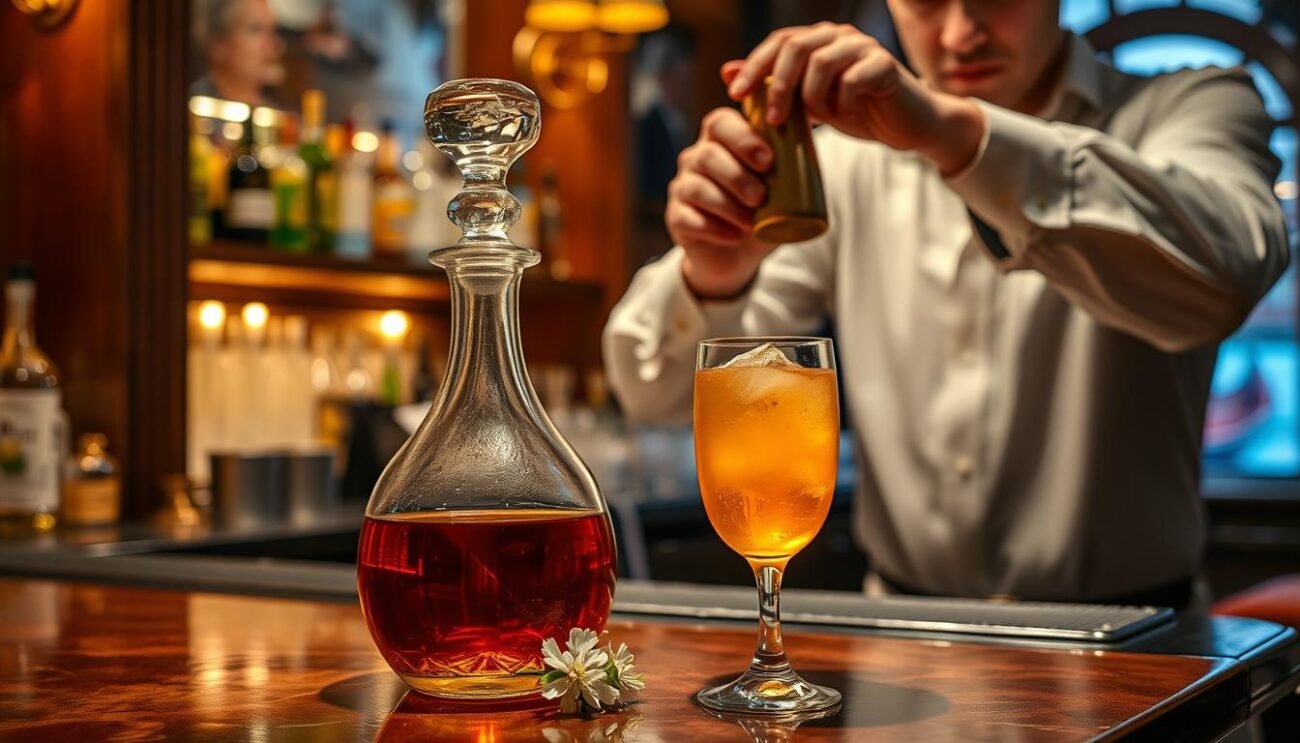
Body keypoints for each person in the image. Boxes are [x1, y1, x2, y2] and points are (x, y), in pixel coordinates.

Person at [603, 1, 1290, 607]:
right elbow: (655, 393)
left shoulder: (1197, 101)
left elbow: (1222, 279)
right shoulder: (844, 164)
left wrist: (958, 137)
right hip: (905, 651)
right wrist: (714, 274)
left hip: (1143, 641)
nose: (962, 32)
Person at [192, 0, 286, 107]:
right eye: (256, 29)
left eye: (274, 31)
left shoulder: (280, 117)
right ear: (218, 43)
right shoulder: (190, 110)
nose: (275, 44)